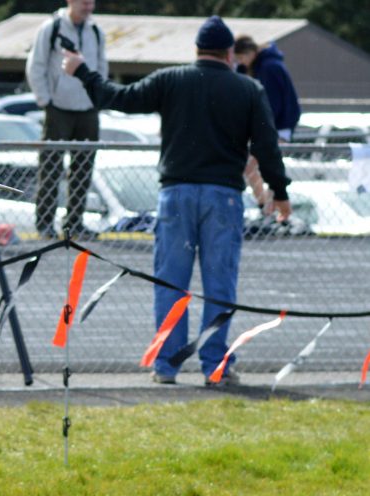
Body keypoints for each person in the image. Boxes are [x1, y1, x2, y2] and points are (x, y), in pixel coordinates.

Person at [63, 15, 292, 387]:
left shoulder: (171, 80)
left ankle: (166, 365)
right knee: (220, 284)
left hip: (176, 195)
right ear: (230, 52)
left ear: (197, 50)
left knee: (171, 282)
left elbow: (118, 98)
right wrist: (279, 193)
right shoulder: (248, 89)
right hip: (223, 197)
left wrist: (82, 71)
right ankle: (214, 365)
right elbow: (266, 147)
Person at [26, 0, 106, 240]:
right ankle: (45, 223)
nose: (88, 5)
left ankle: (74, 223)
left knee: (83, 166)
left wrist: (98, 97)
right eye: (83, 1)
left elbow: (102, 66)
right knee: (51, 165)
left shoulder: (96, 31)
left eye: (91, 1)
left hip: (88, 107)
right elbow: (36, 66)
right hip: (58, 107)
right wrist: (46, 101)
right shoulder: (51, 27)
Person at [234, 35, 301, 142]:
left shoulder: (269, 68)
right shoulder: (255, 66)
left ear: (250, 52)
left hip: (277, 127)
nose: (240, 62)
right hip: (269, 126)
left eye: (240, 58)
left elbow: (272, 103)